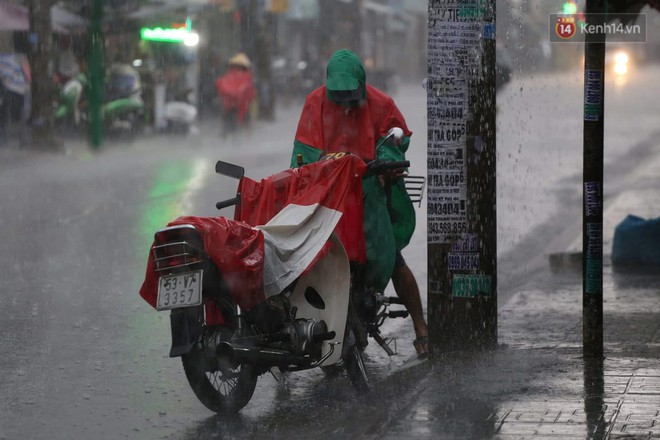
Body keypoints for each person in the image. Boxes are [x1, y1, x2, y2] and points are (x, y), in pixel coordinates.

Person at [290, 49, 429, 358]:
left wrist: (386, 165)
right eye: (338, 96)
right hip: (331, 196)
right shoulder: (315, 103)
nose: (345, 104)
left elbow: (395, 141)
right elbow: (304, 150)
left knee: (393, 258)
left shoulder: (380, 103)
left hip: (370, 193)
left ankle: (421, 328)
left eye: (350, 95)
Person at [214, 53, 257, 134]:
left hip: (235, 107)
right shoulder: (244, 76)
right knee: (236, 127)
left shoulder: (240, 76)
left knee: (232, 127)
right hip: (235, 107)